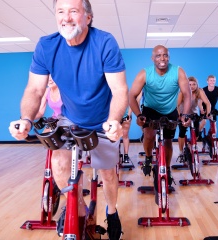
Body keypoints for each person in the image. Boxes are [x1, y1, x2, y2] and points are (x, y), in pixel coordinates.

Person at [8, 0, 128, 239]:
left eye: (74, 11)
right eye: (60, 11)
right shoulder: (46, 46)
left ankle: (112, 212)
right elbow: (34, 90)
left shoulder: (104, 42)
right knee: (59, 165)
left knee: (107, 174)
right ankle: (79, 209)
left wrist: (114, 120)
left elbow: (120, 90)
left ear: (88, 17)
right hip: (70, 119)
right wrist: (26, 120)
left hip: (103, 121)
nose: (66, 17)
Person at [128, 45, 191, 185]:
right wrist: (138, 115)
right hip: (151, 109)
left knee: (168, 141)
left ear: (169, 57)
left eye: (165, 55)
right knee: (149, 135)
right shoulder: (145, 73)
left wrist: (185, 114)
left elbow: (187, 95)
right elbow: (131, 96)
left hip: (170, 110)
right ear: (152, 58)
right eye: (158, 55)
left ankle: (167, 169)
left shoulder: (178, 71)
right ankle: (149, 158)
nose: (162, 59)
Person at [177, 76, 211, 156]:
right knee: (182, 133)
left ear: (197, 85)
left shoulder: (200, 91)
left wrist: (207, 114)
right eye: (190, 84)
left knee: (196, 134)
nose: (191, 86)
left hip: (194, 115)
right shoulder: (182, 92)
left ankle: (189, 145)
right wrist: (180, 116)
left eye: (194, 84)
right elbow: (177, 105)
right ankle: (181, 152)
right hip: (183, 114)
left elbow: (208, 103)